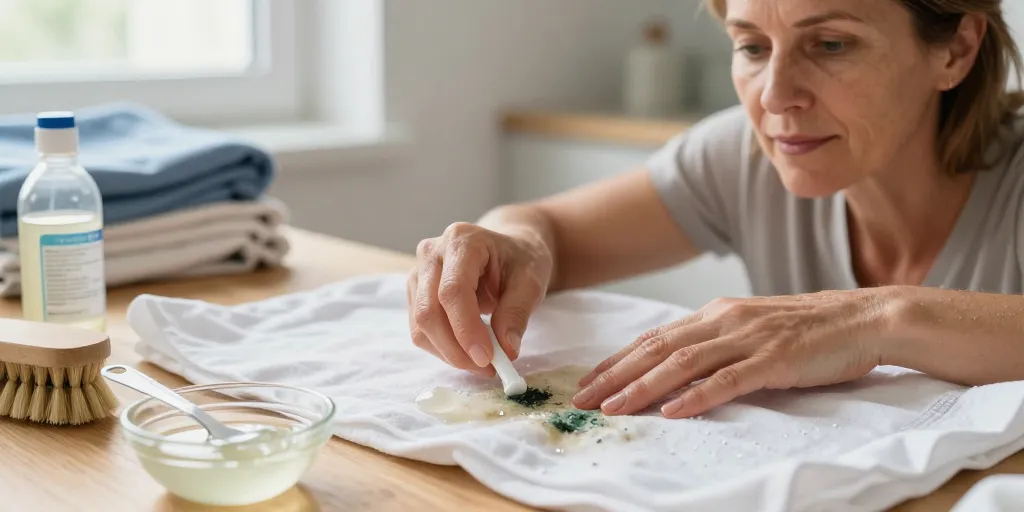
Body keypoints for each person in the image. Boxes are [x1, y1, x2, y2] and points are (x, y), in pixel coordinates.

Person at [406, 0, 1024, 420]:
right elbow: (547, 231)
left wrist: (874, 319)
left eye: (832, 44)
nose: (777, 96)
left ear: (956, 51)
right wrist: (513, 245)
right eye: (752, 47)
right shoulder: (747, 153)